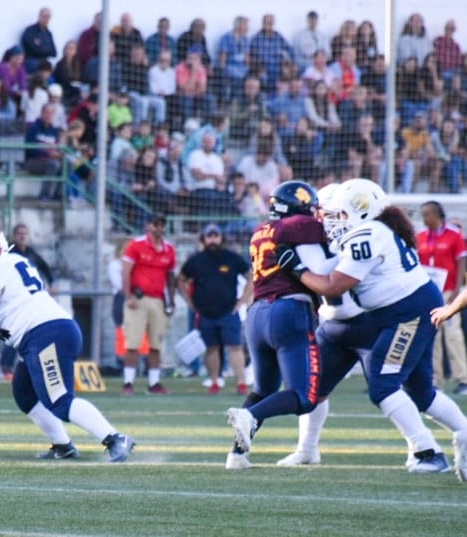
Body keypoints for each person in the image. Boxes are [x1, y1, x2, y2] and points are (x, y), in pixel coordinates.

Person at [276, 179, 467, 482]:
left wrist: (297, 269)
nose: (332, 220)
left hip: (406, 312)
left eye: (338, 214)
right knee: (420, 390)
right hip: (398, 310)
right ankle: (462, 434)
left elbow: (334, 285)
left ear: (359, 212)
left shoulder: (366, 234)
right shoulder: (372, 230)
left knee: (384, 383)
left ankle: (426, 453)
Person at [0, 232, 135, 462]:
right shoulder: (15, 261)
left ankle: (114, 438)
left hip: (44, 334)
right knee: (24, 392)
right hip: (46, 331)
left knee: (59, 400)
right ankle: (63, 446)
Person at [224, 181, 327, 470]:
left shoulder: (260, 230)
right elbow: (319, 231)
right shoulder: (294, 226)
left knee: (263, 389)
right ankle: (251, 416)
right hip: (288, 310)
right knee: (305, 397)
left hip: (258, 313)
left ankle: (236, 455)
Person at [178, 224, 252, 395]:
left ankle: (241, 382)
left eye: (215, 236)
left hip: (228, 311)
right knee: (211, 347)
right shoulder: (195, 260)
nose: (212, 240)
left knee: (235, 346)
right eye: (209, 236)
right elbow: (180, 280)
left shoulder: (232, 258)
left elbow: (251, 276)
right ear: (203, 239)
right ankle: (214, 382)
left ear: (221, 238)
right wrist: (190, 303)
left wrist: (242, 301)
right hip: (205, 313)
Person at [120, 215, 175, 396]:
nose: (159, 228)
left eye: (162, 225)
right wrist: (128, 296)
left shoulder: (168, 250)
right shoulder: (136, 245)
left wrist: (171, 300)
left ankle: (154, 383)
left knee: (156, 344)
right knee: (133, 343)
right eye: (156, 224)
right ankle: (128, 382)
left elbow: (170, 277)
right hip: (138, 299)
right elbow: (126, 272)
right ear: (148, 225)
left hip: (158, 300)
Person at [416, 201, 467, 394]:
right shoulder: (420, 236)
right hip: (431, 291)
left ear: (437, 215)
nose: (424, 218)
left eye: (427, 214)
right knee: (433, 335)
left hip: (450, 290)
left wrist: (458, 288)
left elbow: (461, 261)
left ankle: (462, 379)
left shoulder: (453, 235)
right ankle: (435, 380)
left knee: (453, 335)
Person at [21, 8, 57, 73]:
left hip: (44, 62)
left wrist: (40, 46)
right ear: (39, 16)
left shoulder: (48, 33)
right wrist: (46, 49)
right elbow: (34, 50)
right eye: (44, 17)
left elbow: (54, 52)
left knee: (54, 75)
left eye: (48, 17)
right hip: (31, 61)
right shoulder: (30, 31)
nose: (46, 19)